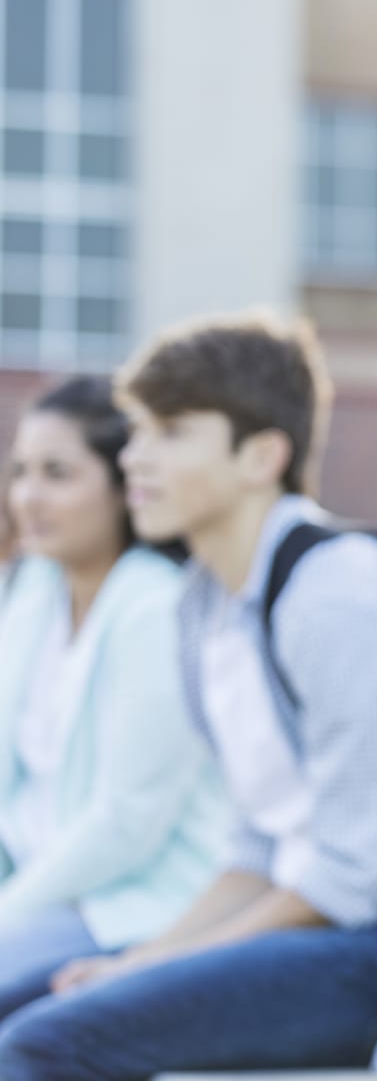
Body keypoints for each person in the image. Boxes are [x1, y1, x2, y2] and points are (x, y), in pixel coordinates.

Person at [0, 313, 377, 1077]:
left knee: (45, 1042)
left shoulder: (344, 599)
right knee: (30, 1003)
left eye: (170, 432)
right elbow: (256, 849)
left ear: (262, 454)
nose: (136, 459)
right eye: (134, 434)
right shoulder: (208, 606)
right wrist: (148, 957)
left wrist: (148, 967)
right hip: (312, 929)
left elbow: (348, 880)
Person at [0, 378, 226, 1022]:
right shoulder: (32, 592)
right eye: (20, 472)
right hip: (40, 897)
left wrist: (9, 909)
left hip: (133, 905)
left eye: (58, 474)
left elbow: (128, 822)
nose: (28, 497)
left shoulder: (156, 607)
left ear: (124, 486)